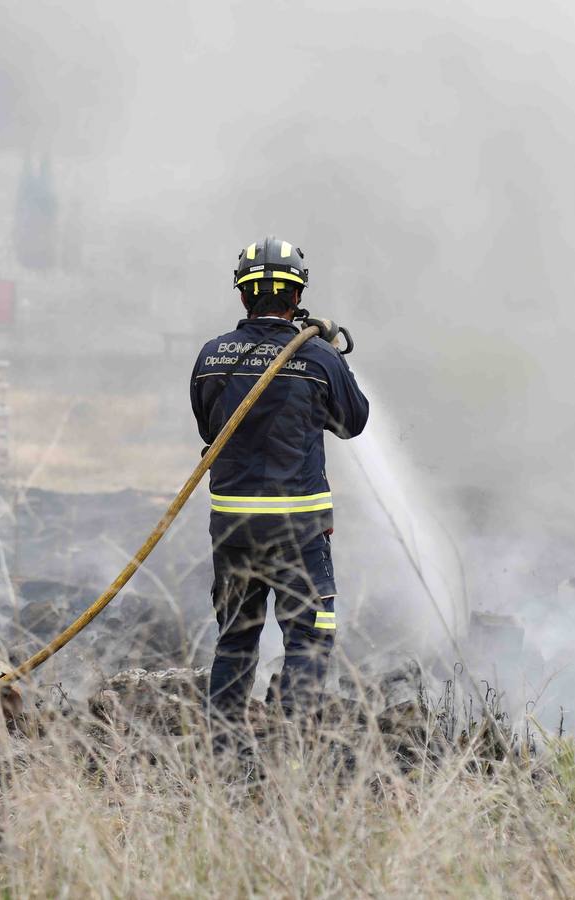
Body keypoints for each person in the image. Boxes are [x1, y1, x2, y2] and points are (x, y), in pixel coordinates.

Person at [190, 235, 369, 755]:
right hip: (300, 532)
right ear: (296, 297)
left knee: (236, 640)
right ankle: (291, 754)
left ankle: (223, 756)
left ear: (244, 298)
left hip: (234, 530)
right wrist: (332, 355)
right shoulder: (316, 356)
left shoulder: (211, 356)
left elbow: (210, 427)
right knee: (309, 640)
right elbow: (352, 422)